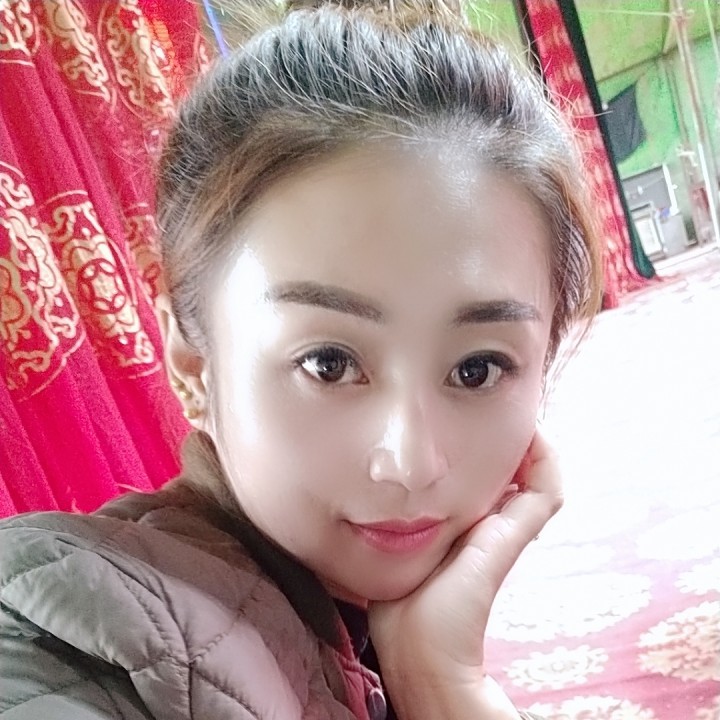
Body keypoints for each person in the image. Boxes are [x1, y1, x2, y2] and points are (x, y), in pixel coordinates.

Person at [0, 0, 602, 717]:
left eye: (477, 369)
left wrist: (441, 687)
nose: (411, 464)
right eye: (329, 363)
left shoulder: (357, 620)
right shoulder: (65, 630)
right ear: (193, 364)